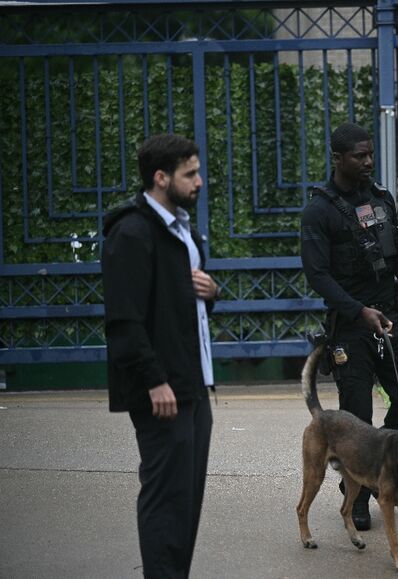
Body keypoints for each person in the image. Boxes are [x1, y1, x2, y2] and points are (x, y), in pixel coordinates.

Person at [301, 122, 398, 530]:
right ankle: (356, 495)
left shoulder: (381, 199)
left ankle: (379, 465)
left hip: (392, 316)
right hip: (351, 325)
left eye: (370, 154)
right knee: (355, 414)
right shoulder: (319, 210)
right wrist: (358, 310)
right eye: (359, 156)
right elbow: (317, 276)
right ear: (338, 158)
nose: (368, 161)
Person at [102, 133, 219, 578]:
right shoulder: (131, 232)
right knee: (164, 497)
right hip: (161, 390)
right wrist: (154, 380)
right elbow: (125, 321)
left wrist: (211, 292)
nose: (199, 181)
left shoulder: (182, 228)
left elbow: (181, 304)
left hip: (192, 384)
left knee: (186, 499)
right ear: (160, 177)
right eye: (190, 174)